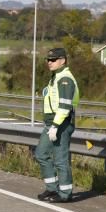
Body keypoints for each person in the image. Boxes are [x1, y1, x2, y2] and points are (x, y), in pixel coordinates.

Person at [35, 47, 79, 203]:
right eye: (48, 60)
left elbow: (65, 107)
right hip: (51, 124)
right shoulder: (55, 77)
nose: (49, 62)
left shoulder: (65, 79)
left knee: (60, 159)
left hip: (61, 124)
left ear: (63, 61)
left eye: (53, 60)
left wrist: (55, 126)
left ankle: (65, 193)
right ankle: (52, 188)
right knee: (41, 154)